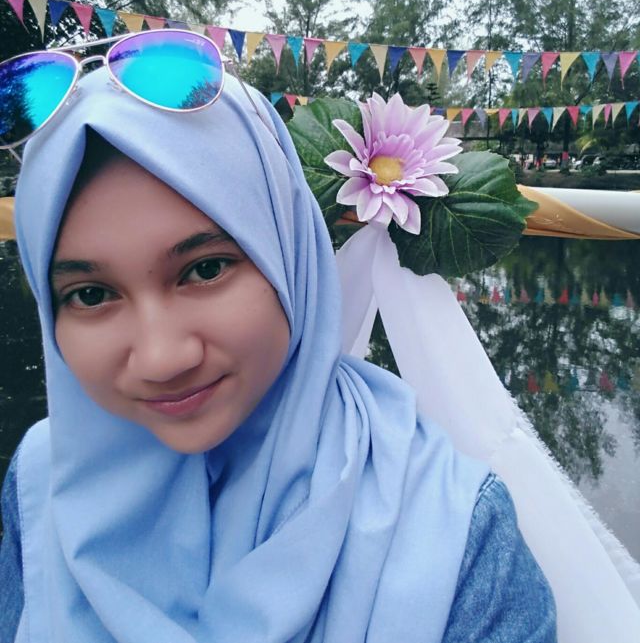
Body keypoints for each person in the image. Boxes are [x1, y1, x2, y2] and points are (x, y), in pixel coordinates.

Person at [0, 32, 556, 642]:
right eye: (90, 295)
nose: (161, 359)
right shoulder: (39, 484)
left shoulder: (458, 538)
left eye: (206, 269)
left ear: (290, 255)